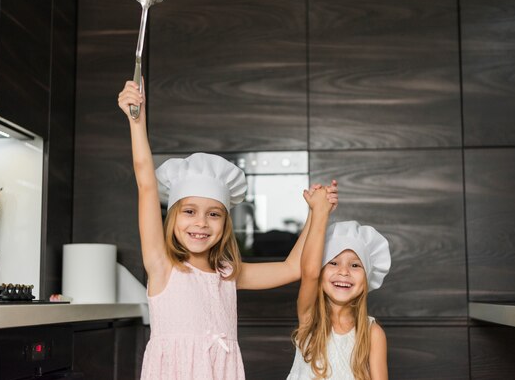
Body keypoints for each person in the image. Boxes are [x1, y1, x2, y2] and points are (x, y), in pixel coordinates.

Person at [117, 80, 338, 380]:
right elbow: (145, 183)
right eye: (190, 211)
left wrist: (315, 214)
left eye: (213, 214)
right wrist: (136, 120)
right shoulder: (162, 265)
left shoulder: (228, 274)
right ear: (172, 217)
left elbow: (292, 267)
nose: (201, 224)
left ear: (225, 223)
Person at [287, 188, 391, 380]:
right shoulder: (310, 319)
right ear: (320, 271)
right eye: (333, 263)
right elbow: (309, 272)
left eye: (355, 265)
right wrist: (319, 211)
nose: (344, 271)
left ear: (366, 279)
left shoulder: (372, 333)